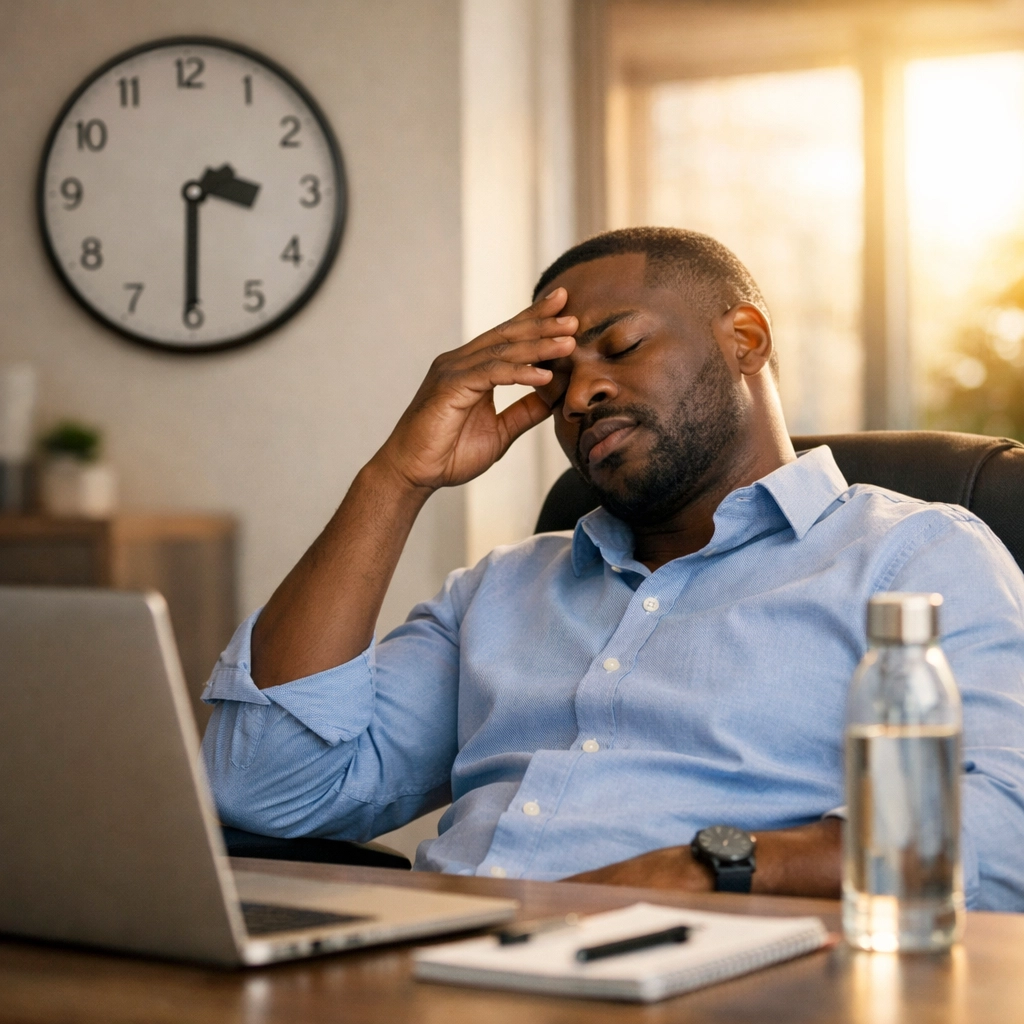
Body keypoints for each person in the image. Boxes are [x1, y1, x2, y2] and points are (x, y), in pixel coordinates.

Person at [202, 228, 1024, 910]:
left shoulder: (915, 557)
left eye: (619, 346)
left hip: (720, 983)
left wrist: (703, 868)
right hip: (436, 973)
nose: (578, 396)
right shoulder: (499, 589)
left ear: (747, 339)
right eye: (555, 377)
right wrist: (395, 478)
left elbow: (1004, 825)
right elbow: (267, 790)